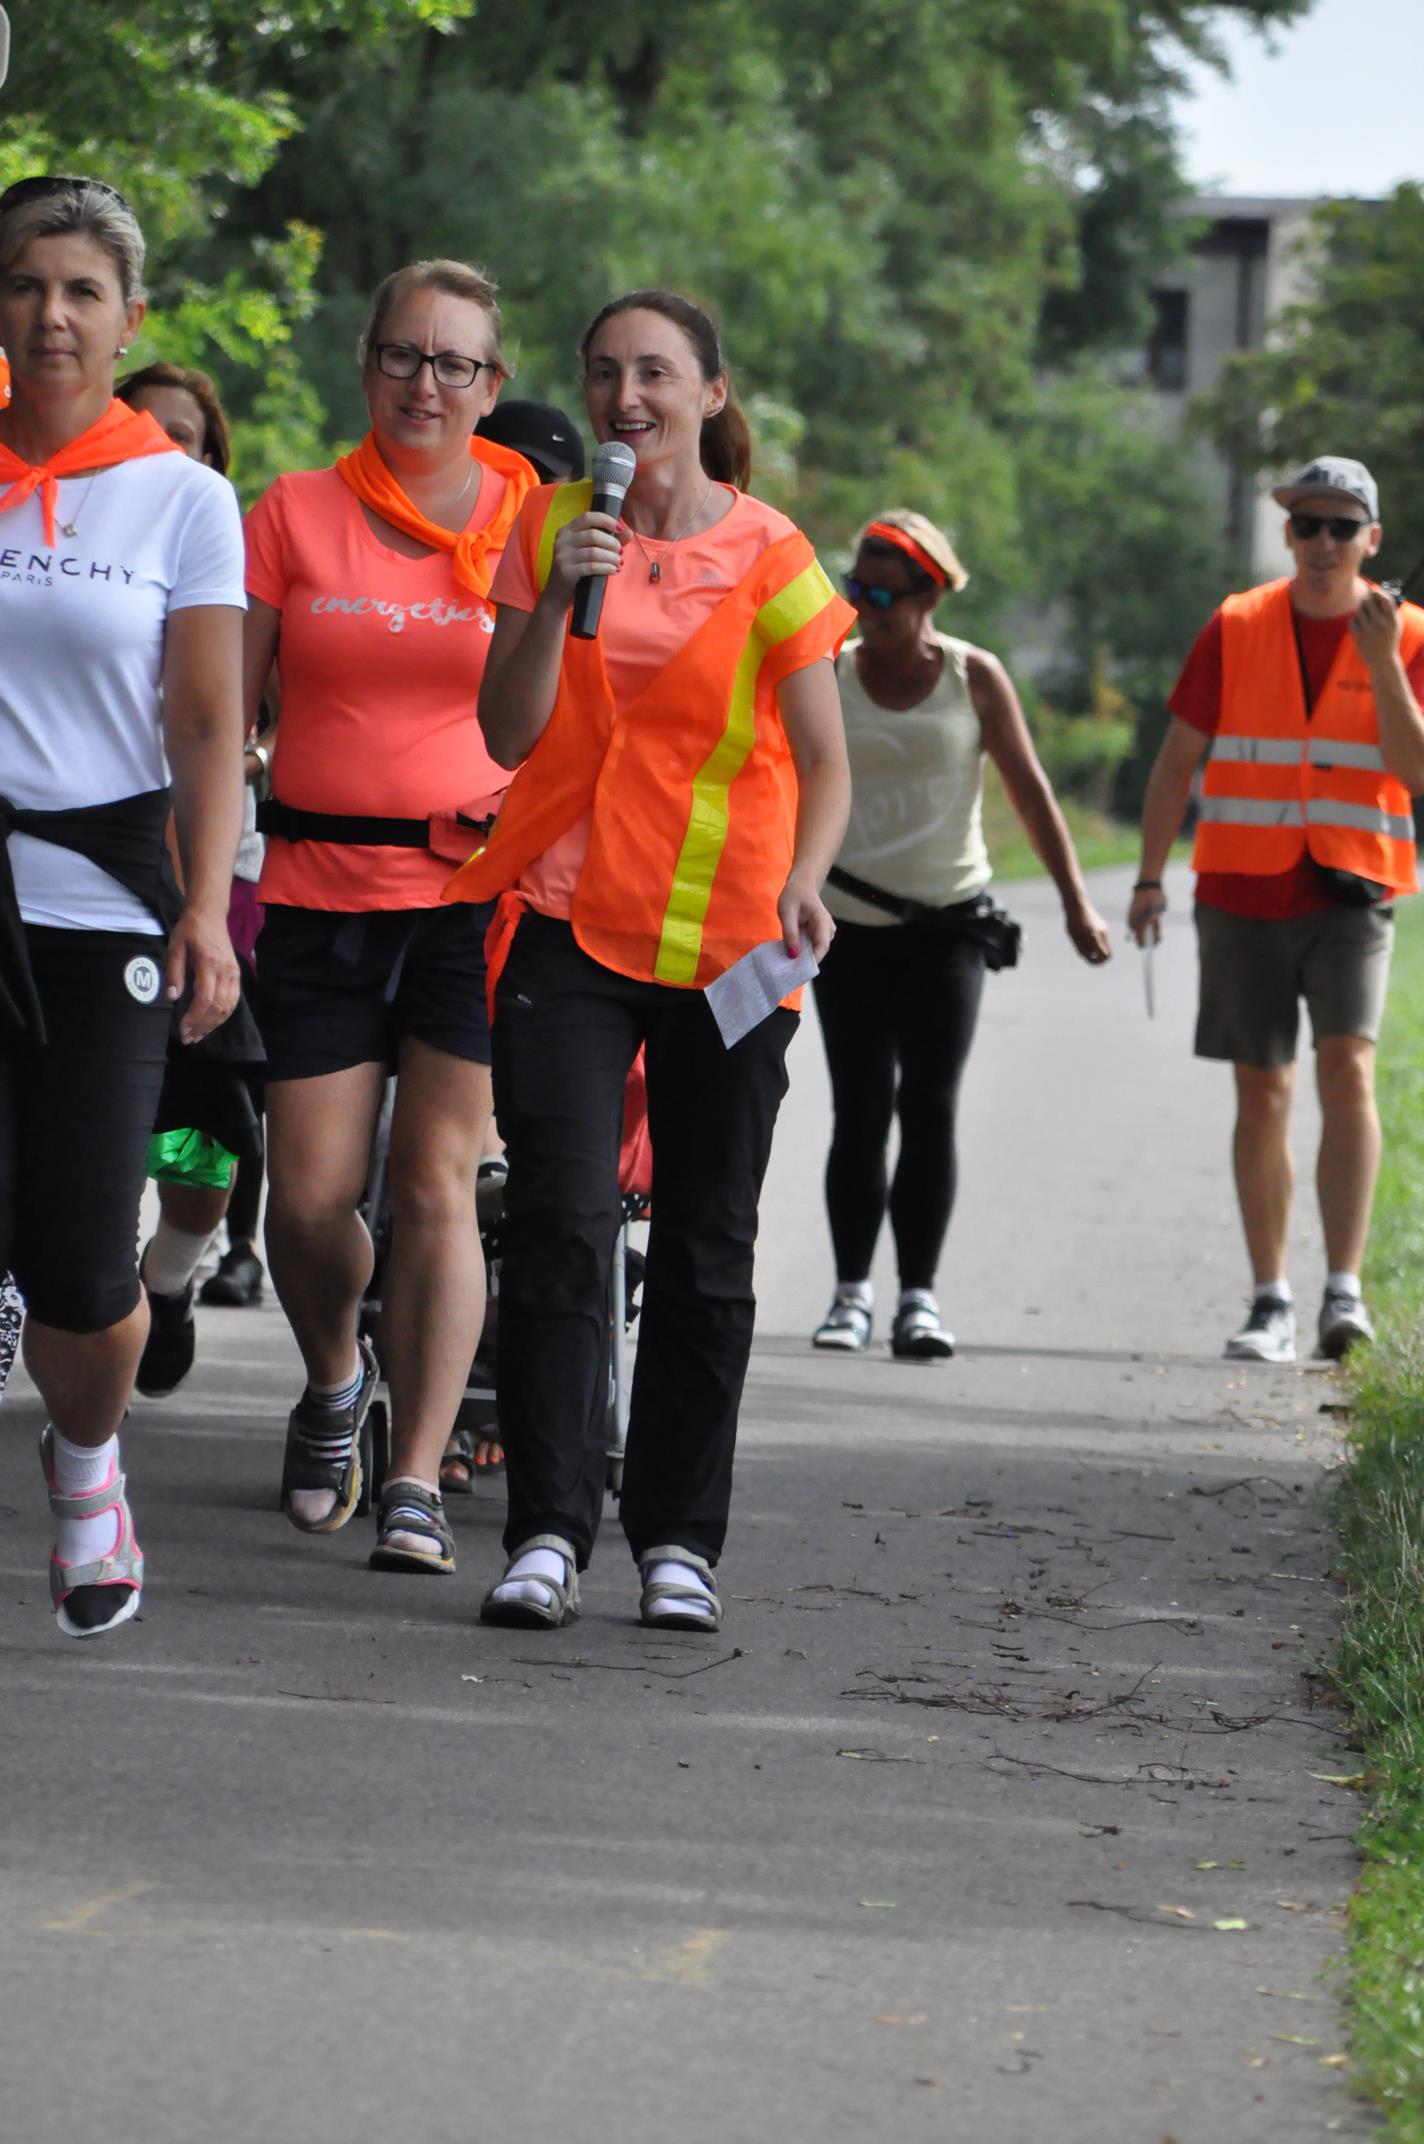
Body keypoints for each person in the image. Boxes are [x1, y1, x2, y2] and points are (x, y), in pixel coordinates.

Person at [445, 286, 855, 1633]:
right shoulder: (550, 527)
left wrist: (806, 879)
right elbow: (507, 735)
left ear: (709, 395)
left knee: (706, 1243)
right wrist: (554, 597)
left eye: (656, 373)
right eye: (605, 371)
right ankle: (547, 1532)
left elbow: (825, 765)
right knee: (559, 1225)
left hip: (729, 943)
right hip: (566, 926)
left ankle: (678, 1540)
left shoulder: (773, 551)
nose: (626, 397)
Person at [242, 256, 537, 1573]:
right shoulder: (293, 511)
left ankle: (414, 1473)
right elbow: (221, 713)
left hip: (472, 897)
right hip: (314, 889)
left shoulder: (540, 525)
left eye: (454, 362)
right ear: (366, 366)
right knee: (307, 1203)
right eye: (403, 356)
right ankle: (332, 1379)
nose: (425, 383)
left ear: (492, 381)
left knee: (435, 1185)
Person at [0, 175, 245, 1637]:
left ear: (128, 317)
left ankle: (87, 1456)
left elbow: (207, 727)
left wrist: (206, 909)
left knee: (86, 1267)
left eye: (82, 291)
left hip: (101, 909)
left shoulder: (180, 495)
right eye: (26, 284)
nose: (53, 315)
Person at [1129, 456, 1424, 1363]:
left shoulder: (1409, 633)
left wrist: (1383, 665)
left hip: (1353, 888)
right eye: (1307, 525)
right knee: (1262, 1089)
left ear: (1372, 540)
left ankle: (1344, 1290)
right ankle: (1271, 1299)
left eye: (1342, 527)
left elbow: (1415, 773)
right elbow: (1177, 761)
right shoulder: (1237, 623)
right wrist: (1148, 879)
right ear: (1289, 536)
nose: (1323, 542)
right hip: (1242, 887)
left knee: (1349, 1070)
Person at [811, 510, 1113, 1359]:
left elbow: (1029, 791)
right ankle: (849, 1294)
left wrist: (1078, 903)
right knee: (859, 1111)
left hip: (948, 928)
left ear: (929, 594)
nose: (863, 607)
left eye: (881, 594)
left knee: (929, 1107)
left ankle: (919, 1297)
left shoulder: (974, 677)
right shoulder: (828, 673)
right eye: (855, 588)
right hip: (850, 926)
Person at [109, 362, 270, 1398]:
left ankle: (168, 1276)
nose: (162, 447)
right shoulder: (51, 538)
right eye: (141, 426)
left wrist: (243, 754)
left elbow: (283, 707)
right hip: (82, 876)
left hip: (209, 882)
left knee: (198, 1130)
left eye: (185, 435)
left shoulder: (227, 552)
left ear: (212, 460)